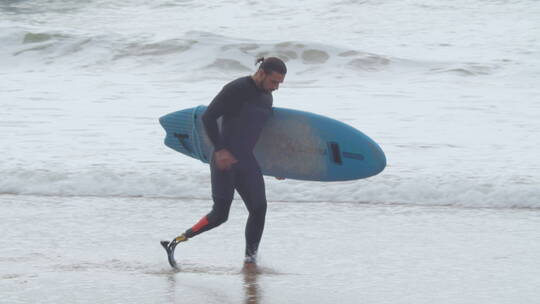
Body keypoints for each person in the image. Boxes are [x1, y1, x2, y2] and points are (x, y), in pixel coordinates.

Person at [164, 57, 287, 268]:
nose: (276, 88)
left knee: (259, 209)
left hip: (247, 160)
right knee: (220, 215)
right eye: (274, 82)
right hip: (225, 160)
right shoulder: (236, 89)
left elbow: (261, 133)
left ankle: (250, 260)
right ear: (262, 72)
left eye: (279, 84)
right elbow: (208, 117)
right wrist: (220, 151)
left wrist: (274, 163)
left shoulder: (267, 98)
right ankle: (176, 242)